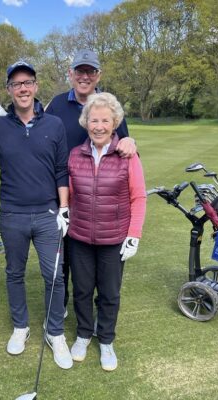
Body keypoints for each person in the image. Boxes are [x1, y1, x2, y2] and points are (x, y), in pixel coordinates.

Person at [0, 61, 73, 369]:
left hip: (48, 214)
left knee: (54, 276)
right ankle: (20, 326)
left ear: (36, 86)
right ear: (9, 90)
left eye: (27, 82)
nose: (22, 88)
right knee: (14, 273)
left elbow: (61, 170)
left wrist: (64, 209)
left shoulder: (54, 125)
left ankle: (54, 332)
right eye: (16, 84)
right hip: (11, 214)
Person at [46, 49, 136, 314]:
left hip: (97, 199)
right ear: (71, 74)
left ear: (98, 75)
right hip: (62, 193)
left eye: (91, 71)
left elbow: (124, 145)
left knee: (91, 262)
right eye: (80, 71)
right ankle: (60, 306)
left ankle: (97, 310)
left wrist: (131, 141)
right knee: (62, 258)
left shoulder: (107, 104)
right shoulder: (58, 103)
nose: (85, 76)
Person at [67, 92, 146, 371]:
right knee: (82, 290)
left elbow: (138, 197)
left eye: (105, 120)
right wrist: (64, 213)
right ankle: (84, 333)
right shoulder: (76, 154)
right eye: (93, 120)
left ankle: (106, 341)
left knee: (110, 293)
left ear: (115, 124)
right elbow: (72, 194)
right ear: (86, 122)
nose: (98, 126)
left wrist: (133, 234)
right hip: (80, 237)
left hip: (114, 239)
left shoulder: (127, 155)